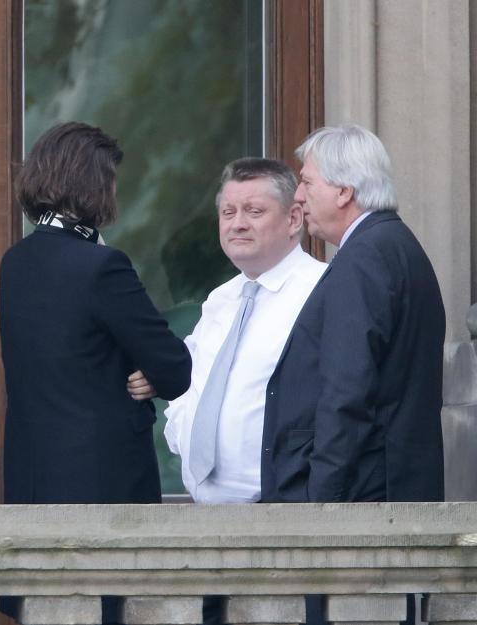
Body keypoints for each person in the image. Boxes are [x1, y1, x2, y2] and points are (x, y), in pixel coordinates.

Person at [263, 125, 445, 624]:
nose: (298, 195)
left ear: (344, 192)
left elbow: (347, 390)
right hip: (388, 493)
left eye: (307, 183)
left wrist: (321, 508)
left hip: (361, 503)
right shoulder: (394, 246)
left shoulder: (365, 257)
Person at [163, 158, 326, 625]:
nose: (237, 223)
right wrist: (184, 438)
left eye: (254, 211)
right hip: (204, 525)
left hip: (279, 527)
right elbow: (187, 385)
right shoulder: (221, 298)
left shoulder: (320, 291)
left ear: (293, 219)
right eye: (228, 211)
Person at [0, 121, 192, 504]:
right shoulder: (101, 266)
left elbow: (65, 355)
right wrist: (150, 375)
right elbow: (173, 368)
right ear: (94, 184)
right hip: (103, 481)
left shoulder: (14, 262)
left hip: (32, 478)